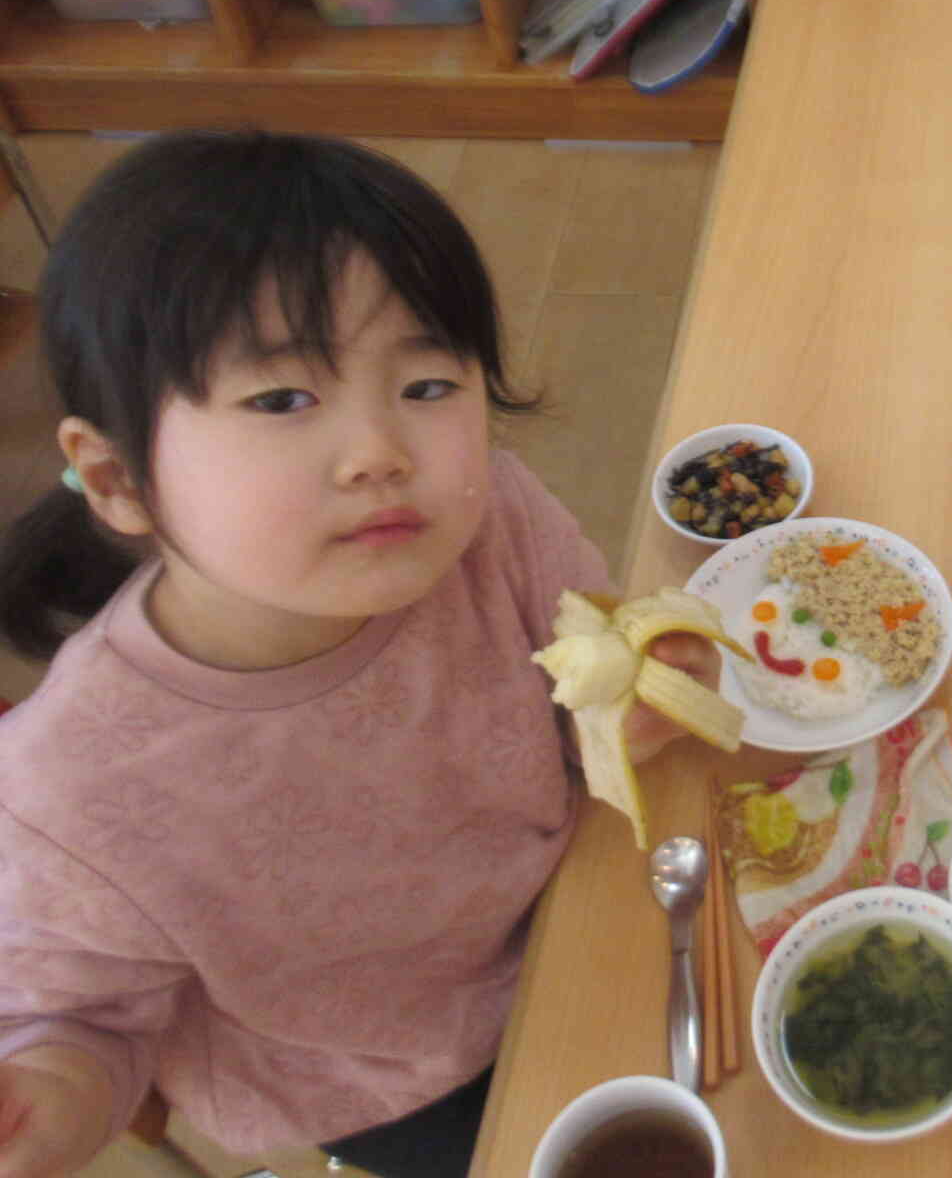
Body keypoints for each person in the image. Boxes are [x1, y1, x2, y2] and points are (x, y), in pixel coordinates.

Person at [0, 131, 715, 1178]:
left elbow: (584, 665)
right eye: (283, 399)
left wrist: (622, 710)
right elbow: (82, 1022)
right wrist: (48, 1098)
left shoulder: (494, 523)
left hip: (567, 912)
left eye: (426, 385)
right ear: (114, 477)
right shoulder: (69, 795)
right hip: (386, 1076)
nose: (382, 451)